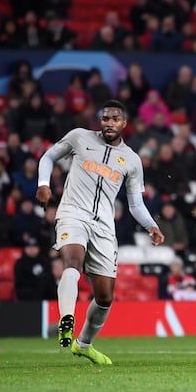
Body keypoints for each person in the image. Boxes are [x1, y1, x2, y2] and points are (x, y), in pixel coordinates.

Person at [36, 99, 164, 365]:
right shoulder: (79, 137)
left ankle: (83, 344)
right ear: (100, 120)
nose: (109, 123)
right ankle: (66, 319)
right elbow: (49, 156)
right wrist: (44, 184)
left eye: (115, 119)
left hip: (104, 226)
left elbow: (135, 204)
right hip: (72, 213)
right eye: (105, 118)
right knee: (73, 261)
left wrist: (151, 225)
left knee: (105, 296)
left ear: (124, 124)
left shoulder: (131, 160)